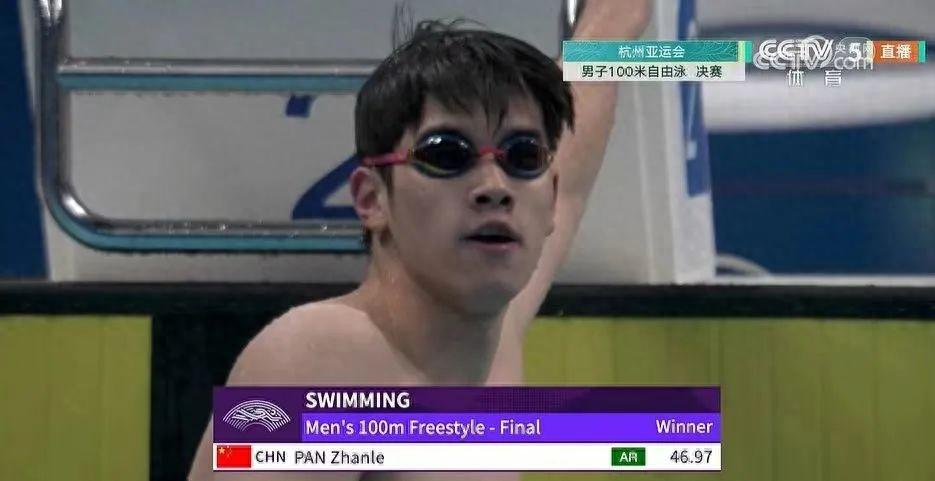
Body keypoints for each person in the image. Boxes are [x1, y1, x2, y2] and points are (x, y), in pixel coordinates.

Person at [189, 1, 650, 479]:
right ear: (372, 198)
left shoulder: (491, 335)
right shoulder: (317, 358)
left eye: (523, 155)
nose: (495, 187)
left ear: (547, 201)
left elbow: (581, 130)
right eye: (447, 154)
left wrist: (615, 20)